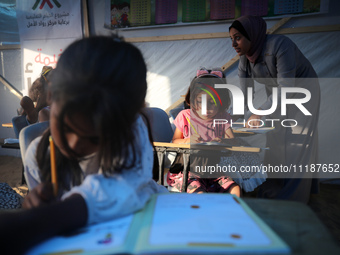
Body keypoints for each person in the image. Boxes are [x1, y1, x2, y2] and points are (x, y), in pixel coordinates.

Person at [0, 36, 167, 254]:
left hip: (153, 225)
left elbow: (126, 186)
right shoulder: (38, 156)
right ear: (51, 96)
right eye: (67, 128)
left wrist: (48, 217)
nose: (74, 144)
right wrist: (36, 204)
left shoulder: (133, 133)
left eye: (95, 139)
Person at [229, 15, 320, 203]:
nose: (233, 44)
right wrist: (231, 119)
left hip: (303, 93)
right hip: (277, 95)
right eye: (231, 39)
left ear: (251, 35)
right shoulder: (245, 60)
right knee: (274, 139)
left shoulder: (280, 45)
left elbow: (286, 86)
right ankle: (273, 191)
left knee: (297, 142)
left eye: (237, 38)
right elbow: (244, 97)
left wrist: (260, 111)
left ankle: (292, 201)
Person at [167, 68, 241, 196]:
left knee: (235, 189)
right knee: (199, 193)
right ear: (192, 99)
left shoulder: (222, 118)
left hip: (212, 171)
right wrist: (187, 141)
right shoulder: (185, 116)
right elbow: (174, 141)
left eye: (212, 103)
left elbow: (232, 140)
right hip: (186, 171)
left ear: (221, 103)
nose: (205, 108)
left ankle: (231, 214)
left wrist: (222, 141)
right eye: (201, 102)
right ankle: (204, 215)